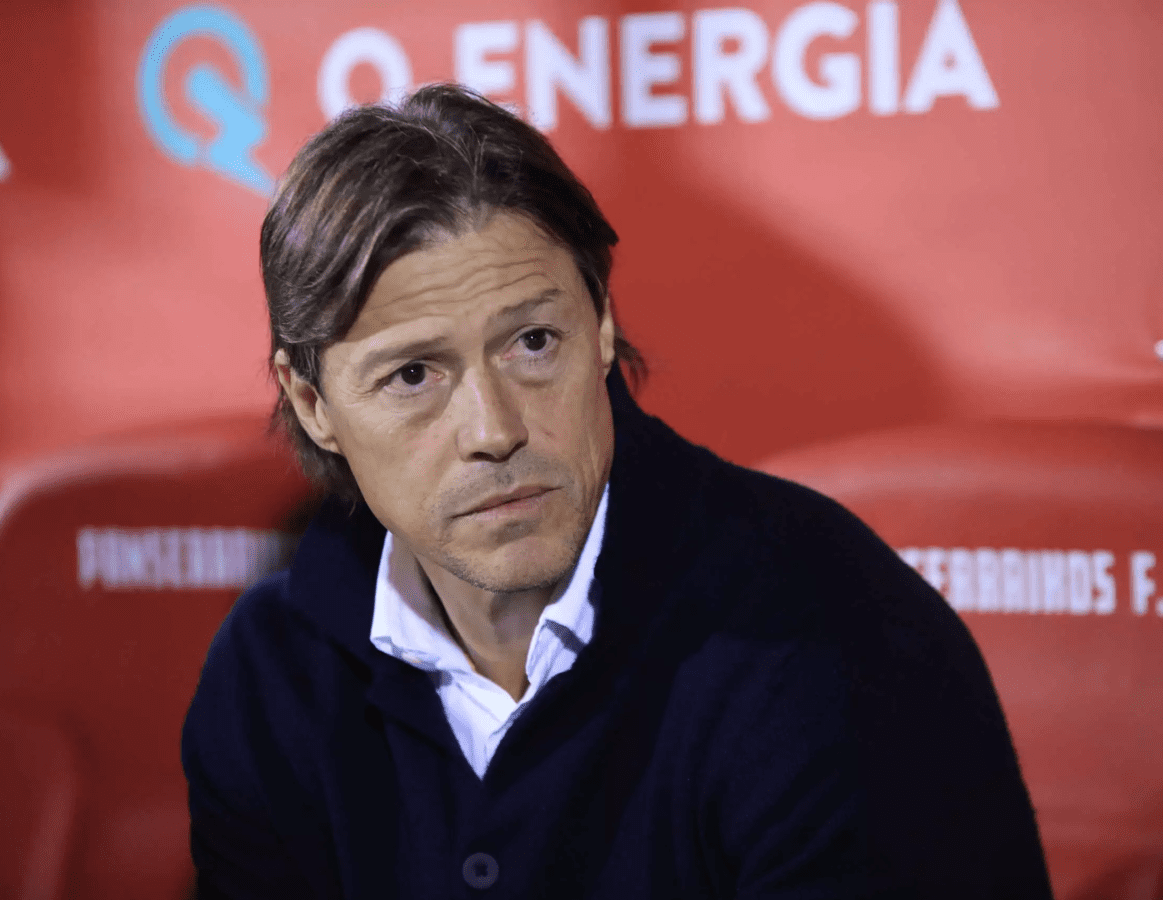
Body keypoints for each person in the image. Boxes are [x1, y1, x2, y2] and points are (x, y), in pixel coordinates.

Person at [181, 83, 1053, 899]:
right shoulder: (269, 678)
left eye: (533, 341)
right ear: (312, 403)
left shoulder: (831, 628)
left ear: (599, 325)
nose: (495, 430)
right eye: (413, 375)